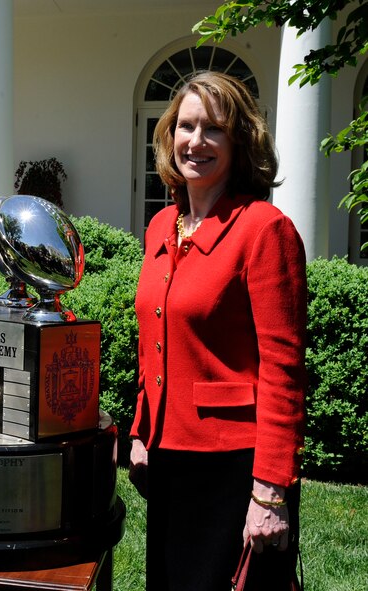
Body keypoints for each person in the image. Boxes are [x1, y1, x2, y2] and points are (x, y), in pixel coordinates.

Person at [128, 71, 307, 590]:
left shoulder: (264, 230)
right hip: (166, 457)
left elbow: (284, 368)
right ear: (169, 135)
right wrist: (141, 429)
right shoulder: (163, 227)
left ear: (240, 140)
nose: (196, 141)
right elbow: (155, 338)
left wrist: (271, 489)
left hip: (234, 466)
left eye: (214, 129)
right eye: (186, 126)